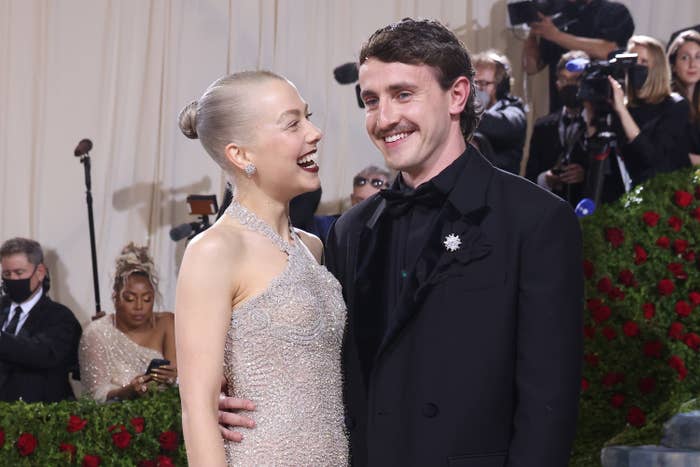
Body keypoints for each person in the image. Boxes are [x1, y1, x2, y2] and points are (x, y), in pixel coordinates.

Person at [220, 18, 584, 466]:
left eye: (403, 94)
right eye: (371, 100)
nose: (384, 118)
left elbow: (548, 403)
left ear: (458, 95)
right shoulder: (352, 231)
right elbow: (326, 361)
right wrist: (235, 394)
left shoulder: (536, 220)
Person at [175, 71, 347, 465]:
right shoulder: (215, 250)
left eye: (308, 116)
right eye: (293, 123)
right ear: (241, 155)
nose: (315, 132)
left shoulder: (313, 247)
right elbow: (197, 412)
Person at [79, 243, 177, 402]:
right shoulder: (96, 332)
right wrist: (127, 392)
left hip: (165, 412)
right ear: (115, 297)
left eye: (147, 299)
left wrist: (173, 376)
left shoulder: (166, 323)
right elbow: (94, 395)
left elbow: (180, 377)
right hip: (118, 420)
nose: (139, 306)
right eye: (130, 299)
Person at [604, 35, 691, 190]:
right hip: (620, 195)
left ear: (657, 68)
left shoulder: (675, 106)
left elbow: (652, 158)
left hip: (656, 196)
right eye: (633, 62)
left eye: (644, 62)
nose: (637, 67)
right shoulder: (622, 106)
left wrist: (622, 112)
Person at [0, 237, 81, 402]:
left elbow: (43, 353)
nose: (13, 279)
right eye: (7, 274)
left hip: (39, 418)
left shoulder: (60, 317)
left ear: (40, 272)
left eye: (19, 272)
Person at [523, 0, 634, 112]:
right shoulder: (557, 15)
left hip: (602, 107)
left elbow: (609, 51)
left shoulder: (614, 12)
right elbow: (531, 67)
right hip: (562, 109)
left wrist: (555, 35)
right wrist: (533, 34)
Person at [526, 50, 589, 205]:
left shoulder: (600, 123)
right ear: (557, 83)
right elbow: (529, 177)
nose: (570, 86)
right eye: (565, 80)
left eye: (576, 80)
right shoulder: (543, 125)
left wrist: (585, 175)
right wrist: (546, 179)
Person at [472, 50, 527, 175]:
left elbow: (502, 126)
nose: (477, 89)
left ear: (500, 85)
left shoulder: (514, 110)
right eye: (473, 82)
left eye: (483, 83)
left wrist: (467, 111)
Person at [668, 29, 700, 165]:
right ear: (673, 66)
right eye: (685, 58)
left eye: (698, 57)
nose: (692, 64)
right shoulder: (667, 103)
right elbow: (669, 154)